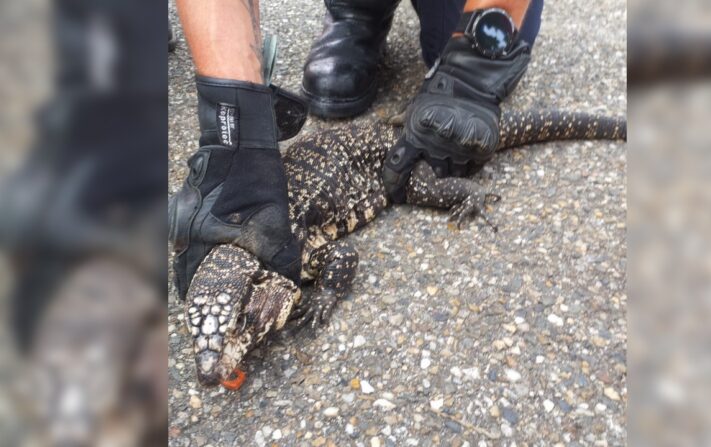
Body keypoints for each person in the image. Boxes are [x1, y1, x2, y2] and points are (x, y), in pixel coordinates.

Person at [171, 0, 543, 299]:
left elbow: (342, 257)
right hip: (367, 148)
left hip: (386, 152)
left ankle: (470, 189)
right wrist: (232, 117)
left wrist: (473, 69)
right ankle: (360, 9)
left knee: (484, 38)